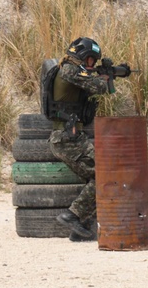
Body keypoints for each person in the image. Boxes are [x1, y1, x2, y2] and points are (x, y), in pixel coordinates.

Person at [45, 37, 115, 242]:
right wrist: (105, 78)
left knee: (97, 176)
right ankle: (72, 216)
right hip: (68, 139)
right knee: (105, 174)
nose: (91, 64)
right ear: (82, 56)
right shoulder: (69, 70)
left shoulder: (71, 70)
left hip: (69, 137)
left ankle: (82, 228)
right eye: (91, 59)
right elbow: (100, 89)